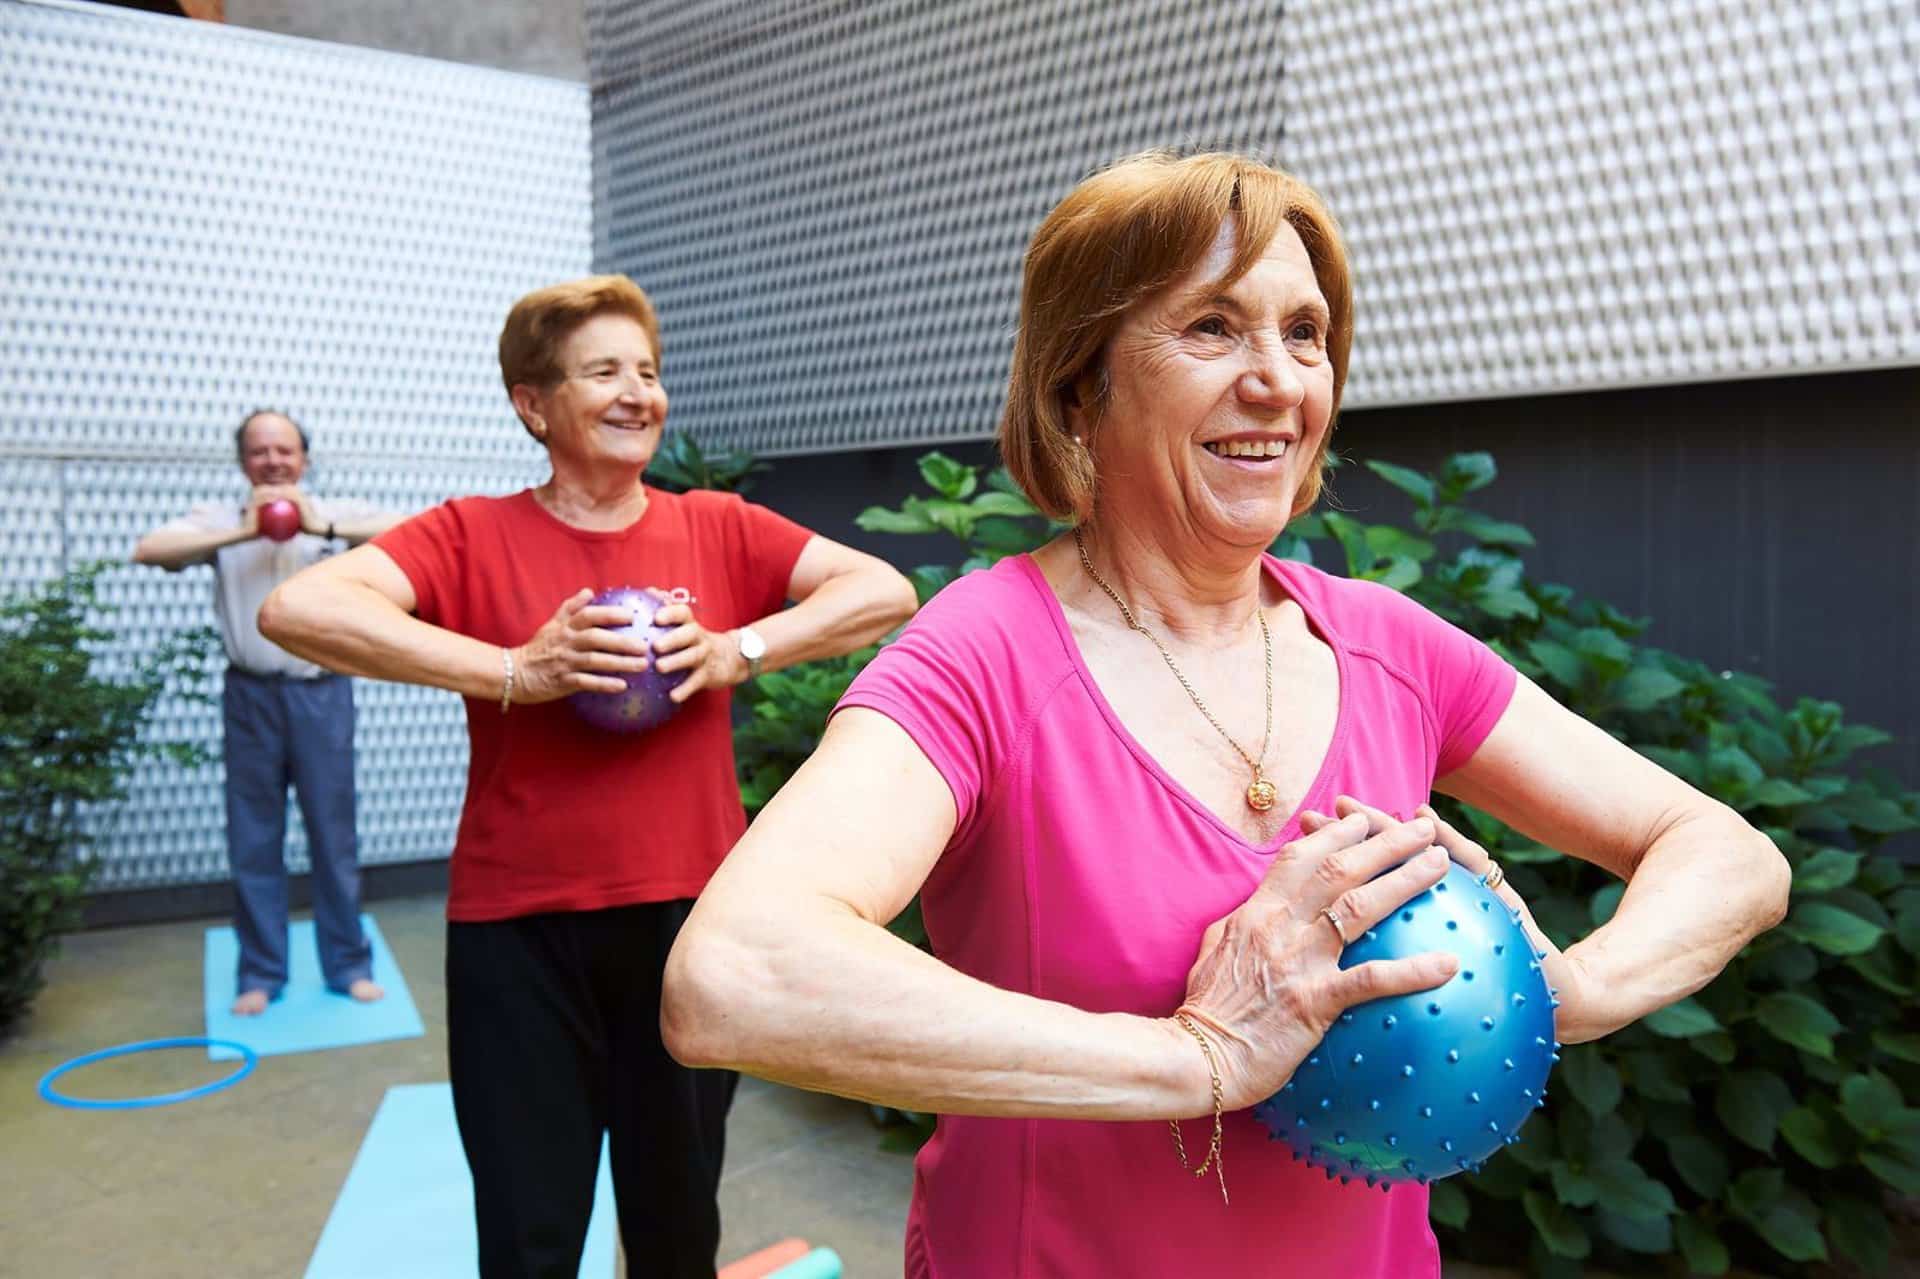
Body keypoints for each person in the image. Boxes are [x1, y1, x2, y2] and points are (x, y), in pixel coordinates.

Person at [659, 151, 1793, 1277]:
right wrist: (1195, 1057)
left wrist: (1577, 993)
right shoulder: (985, 653)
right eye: (1211, 327)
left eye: (1305, 334)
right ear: (1079, 385)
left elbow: (1729, 854)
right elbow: (735, 975)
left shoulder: (1391, 647)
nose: (1278, 381)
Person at [256, 274, 918, 1279]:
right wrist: (515, 669)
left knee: (675, 1224)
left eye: (647, 373)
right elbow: (301, 609)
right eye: (603, 371)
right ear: (534, 403)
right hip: (517, 936)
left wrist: (738, 650)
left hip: (691, 925)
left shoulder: (717, 525)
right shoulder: (468, 531)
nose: (636, 393)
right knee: (528, 1233)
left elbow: (884, 588)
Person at [133, 410, 401, 1016]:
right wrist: (243, 533)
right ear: (243, 462)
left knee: (333, 835)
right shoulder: (221, 522)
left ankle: (348, 965)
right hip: (250, 696)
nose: (274, 461)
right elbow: (149, 550)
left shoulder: (333, 517)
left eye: (285, 450)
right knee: (253, 835)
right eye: (260, 452)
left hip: (321, 695)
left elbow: (411, 532)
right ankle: (260, 972)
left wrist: (321, 523)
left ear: (304, 458)